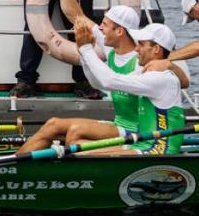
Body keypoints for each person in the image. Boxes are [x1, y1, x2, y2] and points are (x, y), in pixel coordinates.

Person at [17, 0, 171, 153]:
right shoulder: (111, 46)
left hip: (136, 130)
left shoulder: (141, 62)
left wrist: (85, 48)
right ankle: (15, 167)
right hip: (119, 124)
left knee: (74, 134)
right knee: (53, 124)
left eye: (104, 25)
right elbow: (76, 16)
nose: (100, 28)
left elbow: (106, 83)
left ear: (119, 31)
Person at [72, 20, 187, 155]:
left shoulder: (160, 78)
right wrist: (84, 55)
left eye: (142, 45)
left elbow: (109, 80)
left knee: (80, 153)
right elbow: (103, 83)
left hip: (158, 149)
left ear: (156, 49)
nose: (137, 49)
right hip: (142, 143)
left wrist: (86, 49)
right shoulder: (145, 73)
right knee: (76, 144)